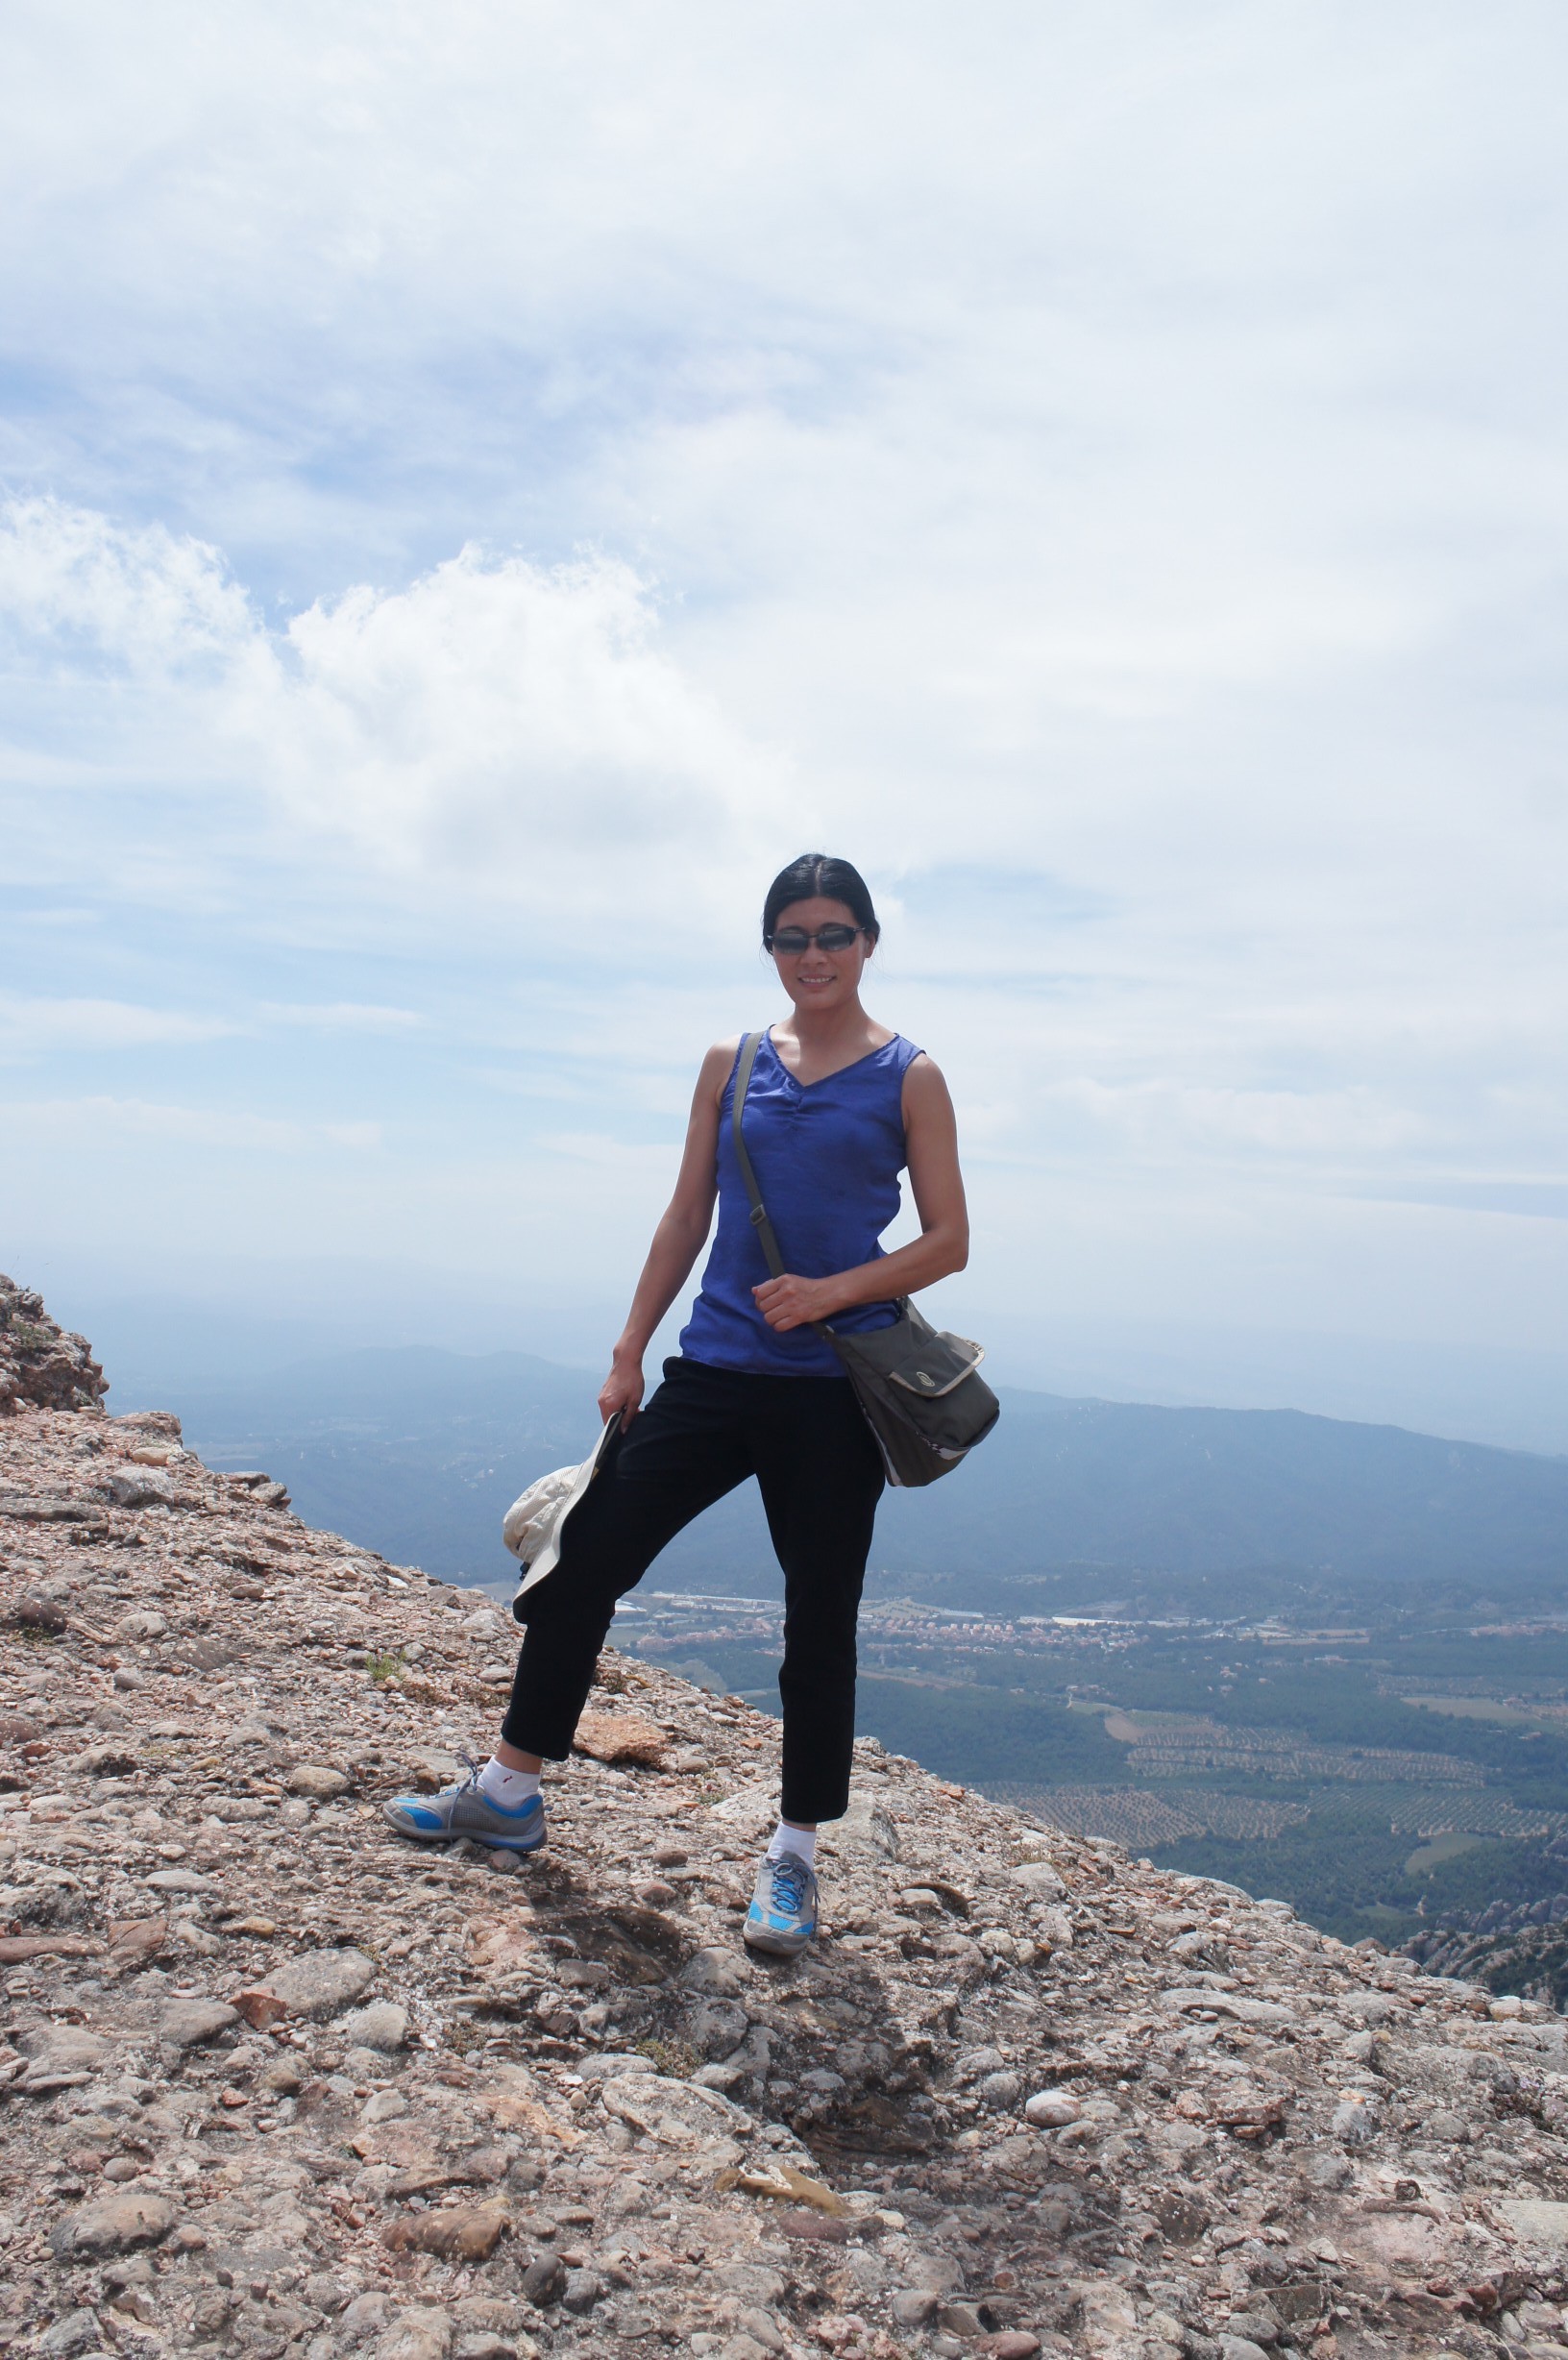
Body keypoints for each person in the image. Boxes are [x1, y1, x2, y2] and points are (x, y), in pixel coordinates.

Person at [383, 853, 970, 1956]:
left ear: (868, 941)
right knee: (579, 1559)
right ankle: (509, 1790)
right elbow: (686, 1214)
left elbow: (949, 1240)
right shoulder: (731, 1061)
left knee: (818, 1623)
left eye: (833, 933)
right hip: (713, 1371)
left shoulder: (911, 1074)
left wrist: (829, 1291)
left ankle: (794, 1856)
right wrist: (629, 1348)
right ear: (771, 946)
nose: (812, 954)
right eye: (791, 936)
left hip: (833, 1393)